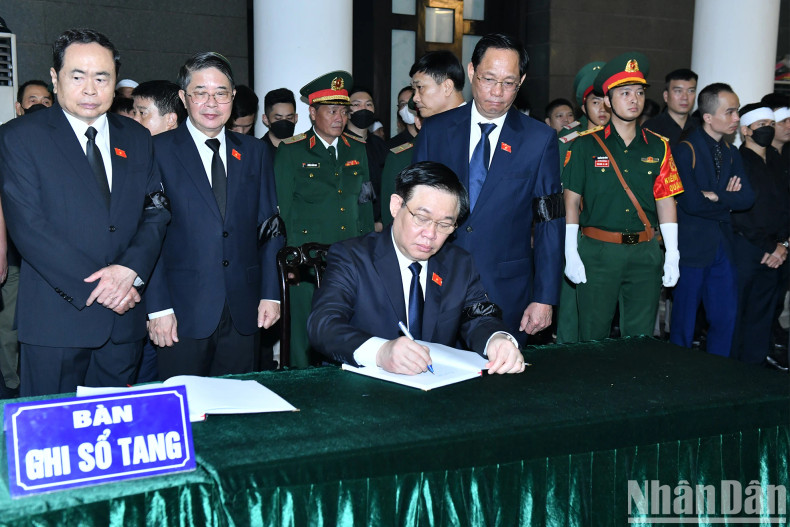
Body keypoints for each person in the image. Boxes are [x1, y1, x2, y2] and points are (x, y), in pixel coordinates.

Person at [0, 28, 170, 396]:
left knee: (116, 436)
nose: (90, 89)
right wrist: (104, 288)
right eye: (77, 76)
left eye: (101, 77)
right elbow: (28, 227)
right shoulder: (19, 138)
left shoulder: (137, 137)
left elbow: (156, 210)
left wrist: (129, 271)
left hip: (123, 320)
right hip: (55, 322)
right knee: (53, 438)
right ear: (54, 77)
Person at [413, 33, 564, 343]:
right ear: (471, 73)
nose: (497, 92)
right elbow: (410, 210)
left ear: (521, 80)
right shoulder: (435, 131)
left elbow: (550, 220)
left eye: (509, 83)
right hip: (437, 283)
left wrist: (545, 296)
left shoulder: (539, 140)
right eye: (488, 79)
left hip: (505, 288)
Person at [308, 161, 526, 375]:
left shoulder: (459, 263)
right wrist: (380, 352)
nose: (431, 234)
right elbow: (323, 325)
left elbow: (478, 316)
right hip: (363, 388)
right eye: (422, 218)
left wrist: (496, 339)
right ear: (396, 206)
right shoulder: (352, 257)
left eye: (444, 225)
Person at [146, 52, 281, 379]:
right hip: (181, 312)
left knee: (237, 412)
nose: (211, 102)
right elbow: (148, 235)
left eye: (220, 93)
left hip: (244, 308)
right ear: (183, 98)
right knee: (185, 409)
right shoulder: (158, 150)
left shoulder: (254, 152)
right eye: (200, 93)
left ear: (232, 98)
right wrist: (158, 308)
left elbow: (270, 227)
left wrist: (270, 293)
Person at [562, 52, 683, 341]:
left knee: (640, 340)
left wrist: (673, 254)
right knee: (592, 337)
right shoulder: (583, 146)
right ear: (607, 100)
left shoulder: (659, 147)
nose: (634, 99)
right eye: (625, 92)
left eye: (639, 92)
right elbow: (571, 202)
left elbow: (665, 200)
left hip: (645, 252)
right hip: (598, 252)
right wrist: (570, 251)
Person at [274, 70, 375, 367]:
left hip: (349, 258)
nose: (339, 118)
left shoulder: (357, 150)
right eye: (332, 110)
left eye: (343, 111)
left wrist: (369, 251)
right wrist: (289, 260)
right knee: (304, 333)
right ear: (312, 112)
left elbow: (365, 204)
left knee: (347, 328)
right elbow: (283, 212)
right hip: (305, 260)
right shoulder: (291, 152)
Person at [669, 83, 754, 357]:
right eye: (729, 112)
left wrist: (716, 197)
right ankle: (677, 379)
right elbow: (691, 203)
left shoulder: (731, 152)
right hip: (692, 248)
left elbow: (748, 198)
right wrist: (727, 201)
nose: (736, 118)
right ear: (708, 117)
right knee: (684, 324)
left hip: (724, 247)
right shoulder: (685, 150)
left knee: (725, 319)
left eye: (737, 111)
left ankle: (718, 375)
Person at [730, 103, 790, 365]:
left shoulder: (776, 159)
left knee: (764, 313)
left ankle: (755, 368)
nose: (768, 129)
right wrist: (769, 246)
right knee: (739, 313)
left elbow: (785, 205)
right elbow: (740, 212)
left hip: (777, 250)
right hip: (748, 249)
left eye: (771, 124)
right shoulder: (737, 161)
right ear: (745, 130)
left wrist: (783, 243)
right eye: (761, 125)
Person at [555, 61, 610, 344]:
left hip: (611, 237)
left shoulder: (623, 140)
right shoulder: (568, 141)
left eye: (606, 100)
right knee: (572, 308)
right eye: (595, 101)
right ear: (583, 105)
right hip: (575, 233)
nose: (602, 109)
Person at [380, 51, 467, 225]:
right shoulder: (429, 134)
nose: (416, 98)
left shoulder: (482, 129)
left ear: (447, 87)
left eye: (420, 88)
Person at [345, 87, 388, 227]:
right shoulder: (338, 145)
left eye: (368, 104)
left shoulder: (380, 146)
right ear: (347, 112)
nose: (363, 108)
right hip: (350, 225)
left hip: (379, 225)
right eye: (356, 104)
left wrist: (381, 220)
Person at [643, 68, 698, 145]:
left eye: (690, 91)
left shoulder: (701, 127)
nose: (685, 97)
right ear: (666, 96)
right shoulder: (651, 129)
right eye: (678, 91)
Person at [260, 87, 298, 152]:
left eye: (289, 118)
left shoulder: (303, 149)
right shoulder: (258, 150)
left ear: (296, 118)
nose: (284, 122)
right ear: (265, 119)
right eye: (278, 118)